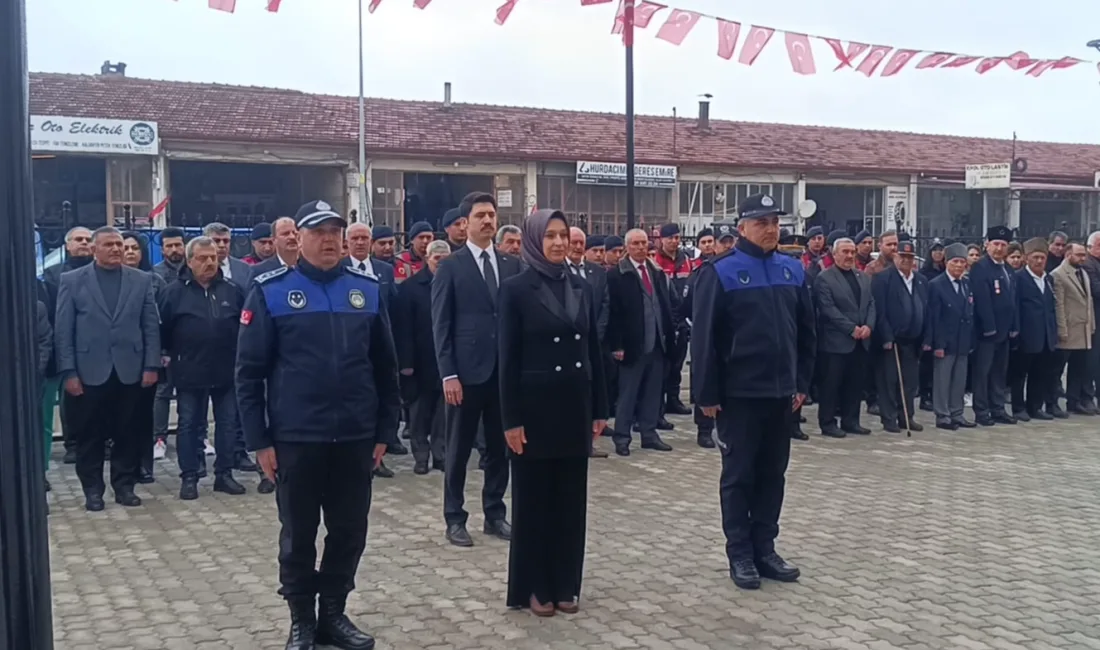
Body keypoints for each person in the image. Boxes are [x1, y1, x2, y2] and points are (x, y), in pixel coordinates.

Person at [236, 199, 399, 650]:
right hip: (296, 437)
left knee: (349, 530)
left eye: (335, 231)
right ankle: (301, 621)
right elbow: (248, 373)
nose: (329, 239)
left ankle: (333, 614)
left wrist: (385, 431)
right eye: (318, 231)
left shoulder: (365, 289)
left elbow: (385, 368)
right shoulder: (269, 290)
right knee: (299, 534)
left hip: (354, 437)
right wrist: (259, 441)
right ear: (299, 238)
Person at [691, 192, 815, 590]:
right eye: (762, 223)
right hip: (739, 396)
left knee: (772, 476)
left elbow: (807, 334)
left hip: (781, 395)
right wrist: (706, 396)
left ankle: (765, 548)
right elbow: (705, 340)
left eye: (775, 222)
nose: (771, 229)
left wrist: (802, 384)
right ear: (741, 227)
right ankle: (740, 553)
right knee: (739, 477)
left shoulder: (792, 270)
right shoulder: (721, 272)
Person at [498, 209, 608, 616]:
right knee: (534, 503)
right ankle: (535, 585)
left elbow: (592, 351)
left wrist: (600, 408)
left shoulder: (582, 285)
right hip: (533, 410)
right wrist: (511, 419)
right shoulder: (515, 289)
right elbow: (506, 360)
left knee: (569, 502)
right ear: (533, 240)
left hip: (574, 407)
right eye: (550, 236)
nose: (559, 243)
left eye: (563, 235)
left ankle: (565, 582)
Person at [431, 191, 521, 547]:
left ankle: (495, 513)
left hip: (503, 372)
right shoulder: (451, 266)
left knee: (500, 449)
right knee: (458, 449)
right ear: (464, 223)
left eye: (491, 214)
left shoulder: (512, 265)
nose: (487, 220)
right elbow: (440, 324)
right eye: (480, 215)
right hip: (465, 375)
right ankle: (455, 517)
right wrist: (448, 374)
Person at [55, 226, 160, 512]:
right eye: (110, 245)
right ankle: (92, 489)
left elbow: (150, 326)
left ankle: (124, 485)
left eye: (119, 244)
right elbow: (64, 331)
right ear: (94, 248)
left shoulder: (141, 281)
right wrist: (69, 372)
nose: (117, 249)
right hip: (89, 371)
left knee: (129, 431)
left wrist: (151, 365)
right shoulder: (72, 281)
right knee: (90, 435)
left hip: (131, 370)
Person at [159, 236, 248, 500]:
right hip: (189, 370)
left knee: (227, 424)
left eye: (213, 257)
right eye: (203, 258)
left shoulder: (232, 290)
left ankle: (224, 474)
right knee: (189, 424)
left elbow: (245, 327)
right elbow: (163, 330)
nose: (210, 262)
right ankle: (190, 476)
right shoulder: (172, 292)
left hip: (227, 369)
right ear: (189, 261)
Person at [606, 229, 676, 456]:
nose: (640, 247)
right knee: (628, 393)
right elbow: (613, 313)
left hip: (657, 342)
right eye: (635, 243)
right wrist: (616, 345)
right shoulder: (617, 275)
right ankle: (622, 437)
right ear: (627, 247)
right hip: (632, 344)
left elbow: (664, 305)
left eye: (644, 243)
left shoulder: (656, 272)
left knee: (653, 392)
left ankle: (649, 433)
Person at [393, 240, 451, 474]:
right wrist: (405, 364)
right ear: (427, 259)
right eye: (437, 258)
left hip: (445, 362)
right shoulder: (410, 288)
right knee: (418, 415)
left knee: (442, 415)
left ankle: (440, 454)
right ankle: (420, 457)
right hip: (418, 363)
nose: (441, 263)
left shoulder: (456, 285)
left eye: (446, 259)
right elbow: (403, 328)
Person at [42, 225, 94, 464]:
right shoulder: (54, 274)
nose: (84, 243)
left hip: (95, 343)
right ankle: (72, 443)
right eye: (79, 239)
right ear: (68, 245)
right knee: (70, 397)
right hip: (68, 343)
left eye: (88, 239)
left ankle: (100, 440)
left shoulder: (101, 271)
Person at [813, 238, 875, 438]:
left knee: (855, 384)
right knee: (832, 385)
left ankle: (851, 420)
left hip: (860, 341)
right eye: (845, 252)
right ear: (834, 253)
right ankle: (828, 422)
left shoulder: (863, 277)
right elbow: (828, 309)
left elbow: (871, 303)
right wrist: (851, 329)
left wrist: (868, 326)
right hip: (835, 343)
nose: (849, 256)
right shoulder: (825, 278)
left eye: (852, 252)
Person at [121, 231, 167, 485]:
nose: (129, 252)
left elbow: (158, 323)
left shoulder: (154, 281)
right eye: (125, 247)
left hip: (146, 356)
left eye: (135, 248)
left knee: (143, 415)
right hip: (118, 358)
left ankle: (144, 465)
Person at [871, 240, 928, 433]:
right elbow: (880, 311)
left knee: (910, 382)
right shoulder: (883, 279)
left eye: (910, 257)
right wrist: (886, 336)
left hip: (913, 340)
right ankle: (889, 418)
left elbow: (925, 309)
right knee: (889, 381)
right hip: (892, 341)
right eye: (902, 256)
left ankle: (906, 416)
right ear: (895, 257)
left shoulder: (920, 281)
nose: (906, 261)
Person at [969, 226, 1019, 427]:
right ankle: (981, 411)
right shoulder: (980, 268)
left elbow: (1012, 300)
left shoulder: (1007, 269)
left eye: (1003, 245)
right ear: (987, 245)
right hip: (987, 332)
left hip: (1005, 331)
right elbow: (982, 300)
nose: (999, 248)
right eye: (996, 244)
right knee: (983, 372)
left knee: (999, 372)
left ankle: (998, 408)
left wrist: (1014, 326)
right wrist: (989, 327)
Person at [926, 243, 976, 430]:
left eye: (962, 262)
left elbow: (970, 312)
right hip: (944, 341)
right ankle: (943, 414)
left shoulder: (966, 284)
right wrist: (937, 344)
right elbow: (934, 317)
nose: (958, 266)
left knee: (959, 380)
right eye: (955, 261)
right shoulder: (936, 285)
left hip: (962, 340)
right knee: (942, 379)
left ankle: (957, 412)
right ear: (946, 262)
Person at [1010, 237, 1059, 422]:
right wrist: (1017, 332)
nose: (1039, 261)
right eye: (1035, 257)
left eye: (1042, 257)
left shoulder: (1048, 279)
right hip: (1026, 334)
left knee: (1039, 373)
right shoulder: (1019, 278)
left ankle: (1034, 406)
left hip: (1045, 334)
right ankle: (1018, 407)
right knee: (1020, 374)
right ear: (1026, 258)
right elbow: (1016, 307)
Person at [1051, 242, 1096, 415]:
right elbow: (1059, 305)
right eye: (1079, 255)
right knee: (1057, 370)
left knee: (1078, 369)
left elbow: (1088, 301)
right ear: (1068, 255)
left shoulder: (1082, 273)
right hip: (1068, 330)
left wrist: (1091, 324)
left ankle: (1074, 401)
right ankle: (1053, 402)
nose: (1083, 258)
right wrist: (1062, 330)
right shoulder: (1059, 275)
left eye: (1084, 255)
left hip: (1083, 330)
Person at [653, 223, 693, 416]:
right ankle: (658, 403)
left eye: (677, 238)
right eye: (670, 238)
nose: (674, 242)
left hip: (682, 318)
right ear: (661, 239)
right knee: (663, 365)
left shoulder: (686, 260)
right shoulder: (655, 261)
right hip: (662, 319)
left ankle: (674, 399)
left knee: (678, 362)